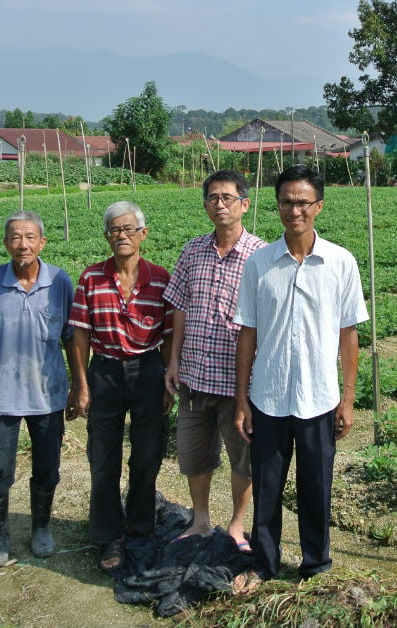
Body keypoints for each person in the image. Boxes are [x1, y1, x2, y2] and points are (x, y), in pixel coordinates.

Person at [233, 164, 369, 587]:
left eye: (303, 202)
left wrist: (347, 399)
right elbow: (247, 335)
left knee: (316, 489)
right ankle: (265, 565)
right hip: (269, 397)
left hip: (319, 398)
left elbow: (349, 337)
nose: (295, 210)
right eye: (287, 202)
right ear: (277, 207)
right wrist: (242, 401)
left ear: (319, 207)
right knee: (267, 488)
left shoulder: (341, 262)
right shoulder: (258, 264)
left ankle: (315, 566)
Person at [67, 201, 174, 573]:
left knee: (147, 454)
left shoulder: (160, 278)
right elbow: (79, 335)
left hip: (148, 369)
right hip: (106, 371)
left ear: (143, 234)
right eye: (115, 230)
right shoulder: (91, 278)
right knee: (103, 457)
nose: (122, 236)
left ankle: (140, 528)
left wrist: (167, 379)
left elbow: (170, 333)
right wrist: (81, 384)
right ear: (106, 236)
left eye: (129, 229)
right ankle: (108, 535)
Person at [164, 170, 266, 553]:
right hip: (194, 375)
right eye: (212, 198)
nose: (219, 205)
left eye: (227, 197)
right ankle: (201, 519)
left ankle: (237, 525)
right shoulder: (192, 251)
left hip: (241, 382)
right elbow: (179, 309)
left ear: (244, 204)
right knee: (194, 455)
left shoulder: (262, 255)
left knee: (243, 459)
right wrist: (173, 361)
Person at [0, 210, 76, 569]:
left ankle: (41, 528)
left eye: (30, 237)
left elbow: (71, 337)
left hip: (48, 394)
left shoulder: (60, 281)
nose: (23, 244)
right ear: (5, 243)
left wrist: (79, 386)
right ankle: (0, 538)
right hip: (1, 394)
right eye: (15, 237)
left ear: (42, 243)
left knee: (47, 467)